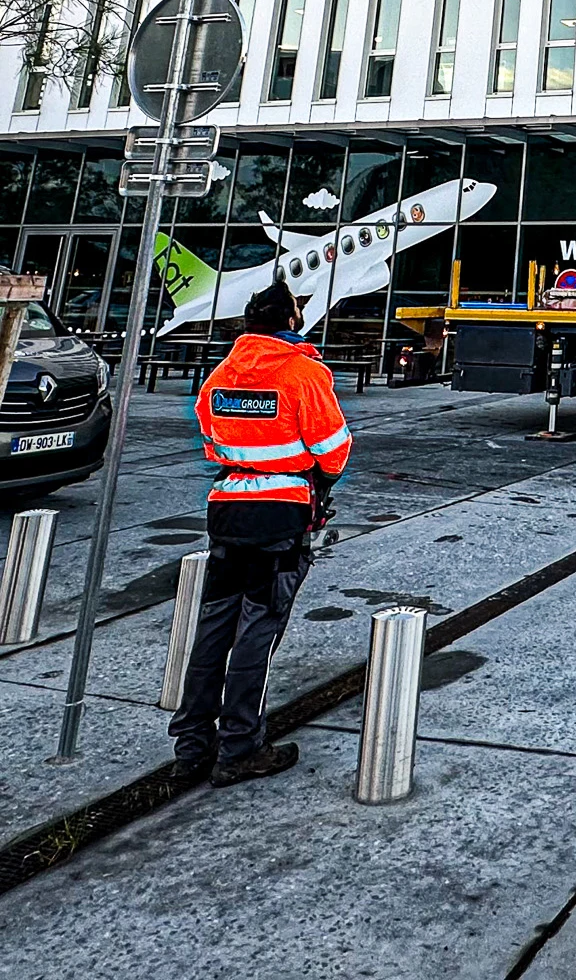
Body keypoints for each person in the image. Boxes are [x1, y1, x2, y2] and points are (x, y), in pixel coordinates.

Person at [169, 270, 352, 786]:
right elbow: (334, 449)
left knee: (213, 629)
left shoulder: (221, 373)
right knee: (258, 631)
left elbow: (211, 439)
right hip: (280, 514)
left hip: (227, 510)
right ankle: (241, 748)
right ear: (291, 320)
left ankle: (191, 748)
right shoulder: (303, 373)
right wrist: (311, 480)